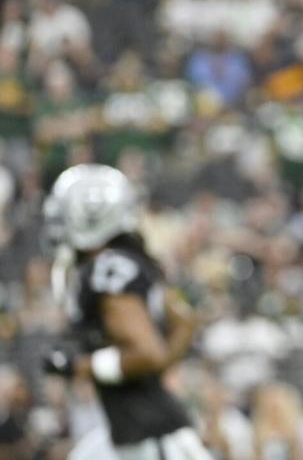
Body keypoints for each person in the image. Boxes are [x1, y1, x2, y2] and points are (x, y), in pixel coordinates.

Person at [40, 164, 213, 460]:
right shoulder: (130, 262)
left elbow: (147, 353)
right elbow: (183, 323)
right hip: (147, 436)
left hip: (152, 441)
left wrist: (80, 366)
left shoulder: (106, 270)